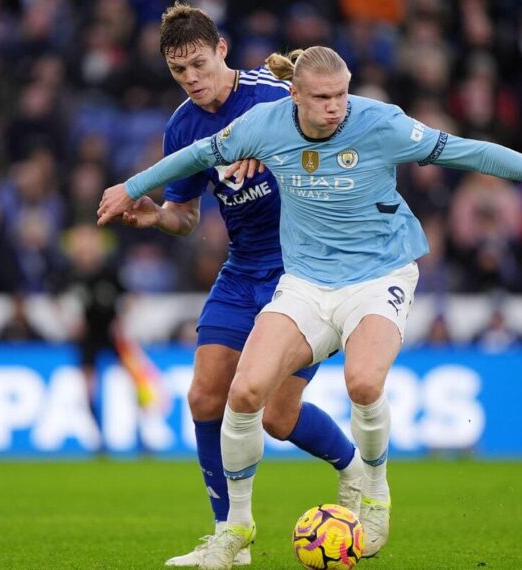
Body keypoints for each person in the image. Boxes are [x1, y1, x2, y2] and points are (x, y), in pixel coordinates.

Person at [98, 46, 522, 569]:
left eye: (341, 95)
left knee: (364, 383)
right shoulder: (265, 124)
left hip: (379, 276)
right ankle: (234, 531)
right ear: (295, 97)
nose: (335, 108)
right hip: (304, 282)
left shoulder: (378, 124)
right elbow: (194, 157)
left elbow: (473, 152)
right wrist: (132, 187)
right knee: (245, 392)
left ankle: (374, 498)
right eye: (322, 98)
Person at [115, 6, 362, 567]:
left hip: (304, 269)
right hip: (242, 268)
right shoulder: (182, 126)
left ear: (222, 48)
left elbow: (341, 142)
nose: (192, 79)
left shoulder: (274, 94)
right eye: (179, 72)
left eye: (199, 64)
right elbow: (184, 216)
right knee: (204, 395)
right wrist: (157, 216)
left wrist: (272, 147)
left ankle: (355, 469)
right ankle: (231, 538)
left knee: (276, 417)